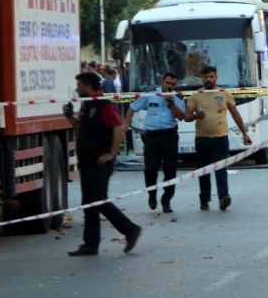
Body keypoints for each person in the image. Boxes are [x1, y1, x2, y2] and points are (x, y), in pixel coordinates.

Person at [62, 72, 141, 256]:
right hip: (88, 161)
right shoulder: (87, 105)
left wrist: (111, 154)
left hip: (99, 162)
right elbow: (81, 129)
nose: (77, 89)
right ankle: (90, 244)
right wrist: (69, 118)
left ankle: (130, 229)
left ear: (88, 87)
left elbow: (117, 128)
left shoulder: (104, 106)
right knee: (89, 203)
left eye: (80, 85)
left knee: (99, 200)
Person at [185, 66, 252, 211]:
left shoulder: (224, 94)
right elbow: (187, 117)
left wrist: (244, 133)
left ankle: (223, 198)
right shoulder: (195, 96)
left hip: (221, 139)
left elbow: (235, 114)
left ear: (216, 77)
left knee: (221, 168)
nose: (208, 79)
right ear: (201, 78)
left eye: (211, 76)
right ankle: (204, 200)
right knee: (203, 171)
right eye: (205, 77)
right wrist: (197, 115)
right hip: (202, 139)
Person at [124, 72, 185, 213]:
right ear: (162, 81)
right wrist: (126, 122)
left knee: (170, 170)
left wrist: (171, 102)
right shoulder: (150, 94)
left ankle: (166, 200)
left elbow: (181, 117)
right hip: (152, 137)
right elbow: (132, 107)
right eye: (167, 83)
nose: (169, 86)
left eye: (173, 84)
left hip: (169, 136)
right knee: (150, 169)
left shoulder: (177, 98)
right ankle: (152, 194)